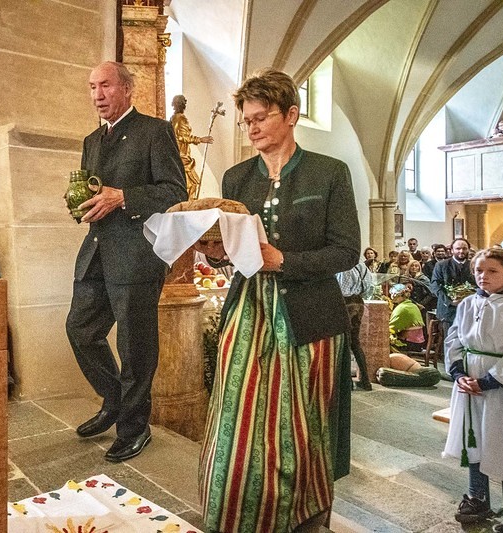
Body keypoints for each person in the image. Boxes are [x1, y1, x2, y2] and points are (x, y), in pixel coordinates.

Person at [196, 68, 360, 532]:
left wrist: (282, 260)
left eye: (260, 117)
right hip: (248, 308)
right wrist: (217, 253)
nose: (251, 128)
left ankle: (306, 513)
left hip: (311, 315)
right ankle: (241, 513)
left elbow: (346, 251)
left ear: (291, 114)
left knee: (305, 425)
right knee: (239, 417)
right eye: (246, 120)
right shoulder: (236, 178)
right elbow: (234, 248)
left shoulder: (329, 172)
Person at [65, 61, 186, 463]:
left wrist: (123, 197)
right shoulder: (91, 140)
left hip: (137, 255)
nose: (97, 94)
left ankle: (135, 428)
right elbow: (91, 189)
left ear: (128, 88)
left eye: (105, 85)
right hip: (96, 251)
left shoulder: (155, 131)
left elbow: (174, 191)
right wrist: (81, 204)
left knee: (135, 348)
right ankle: (115, 400)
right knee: (81, 329)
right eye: (92, 87)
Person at [443, 248, 503, 532]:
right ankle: (479, 498)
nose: (483, 276)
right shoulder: (467, 303)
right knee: (475, 440)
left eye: (492, 271)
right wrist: (459, 373)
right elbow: (454, 341)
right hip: (469, 386)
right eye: (478, 270)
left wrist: (487, 381)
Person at [337, 261, 374, 390]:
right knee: (355, 342)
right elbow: (369, 287)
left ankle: (347, 382)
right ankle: (365, 381)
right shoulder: (362, 266)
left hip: (346, 302)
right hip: (358, 301)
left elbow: (343, 289)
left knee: (345, 343)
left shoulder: (345, 266)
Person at [170, 94, 214, 200]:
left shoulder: (174, 118)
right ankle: (189, 204)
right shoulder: (180, 119)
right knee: (190, 184)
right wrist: (200, 139)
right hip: (182, 155)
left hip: (180, 153)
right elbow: (182, 137)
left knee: (189, 184)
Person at [431, 238, 476, 339]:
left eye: (464, 248)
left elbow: (479, 284)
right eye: (458, 248)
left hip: (470, 310)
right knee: (450, 340)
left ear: (468, 250)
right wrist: (450, 301)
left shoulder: (473, 265)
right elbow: (435, 286)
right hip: (448, 311)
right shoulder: (441, 265)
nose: (461, 251)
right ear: (451, 250)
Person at [388, 283, 426, 353]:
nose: (391, 297)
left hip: (410, 344)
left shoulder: (402, 308)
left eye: (392, 294)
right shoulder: (413, 305)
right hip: (419, 343)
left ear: (397, 295)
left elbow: (392, 328)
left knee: (385, 339)